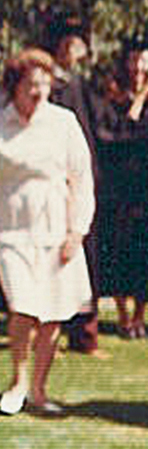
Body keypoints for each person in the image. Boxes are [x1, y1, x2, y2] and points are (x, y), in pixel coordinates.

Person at [0, 48, 94, 416]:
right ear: (14, 86)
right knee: (23, 308)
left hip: (57, 231)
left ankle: (39, 390)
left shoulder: (64, 123)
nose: (39, 91)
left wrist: (77, 231)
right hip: (8, 232)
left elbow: (82, 180)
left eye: (45, 83)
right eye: (31, 84)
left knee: (53, 313)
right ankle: (18, 382)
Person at [46, 15, 102, 354]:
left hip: (84, 183)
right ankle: (57, 331)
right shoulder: (51, 88)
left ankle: (86, 335)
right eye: (70, 44)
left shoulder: (81, 84)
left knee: (87, 260)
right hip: (57, 186)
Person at [90, 42, 148, 338]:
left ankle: (140, 316)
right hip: (118, 191)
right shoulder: (110, 100)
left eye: (143, 64)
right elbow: (115, 135)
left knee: (143, 255)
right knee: (119, 252)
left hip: (144, 190)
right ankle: (124, 317)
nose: (138, 69)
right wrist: (137, 104)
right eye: (134, 63)